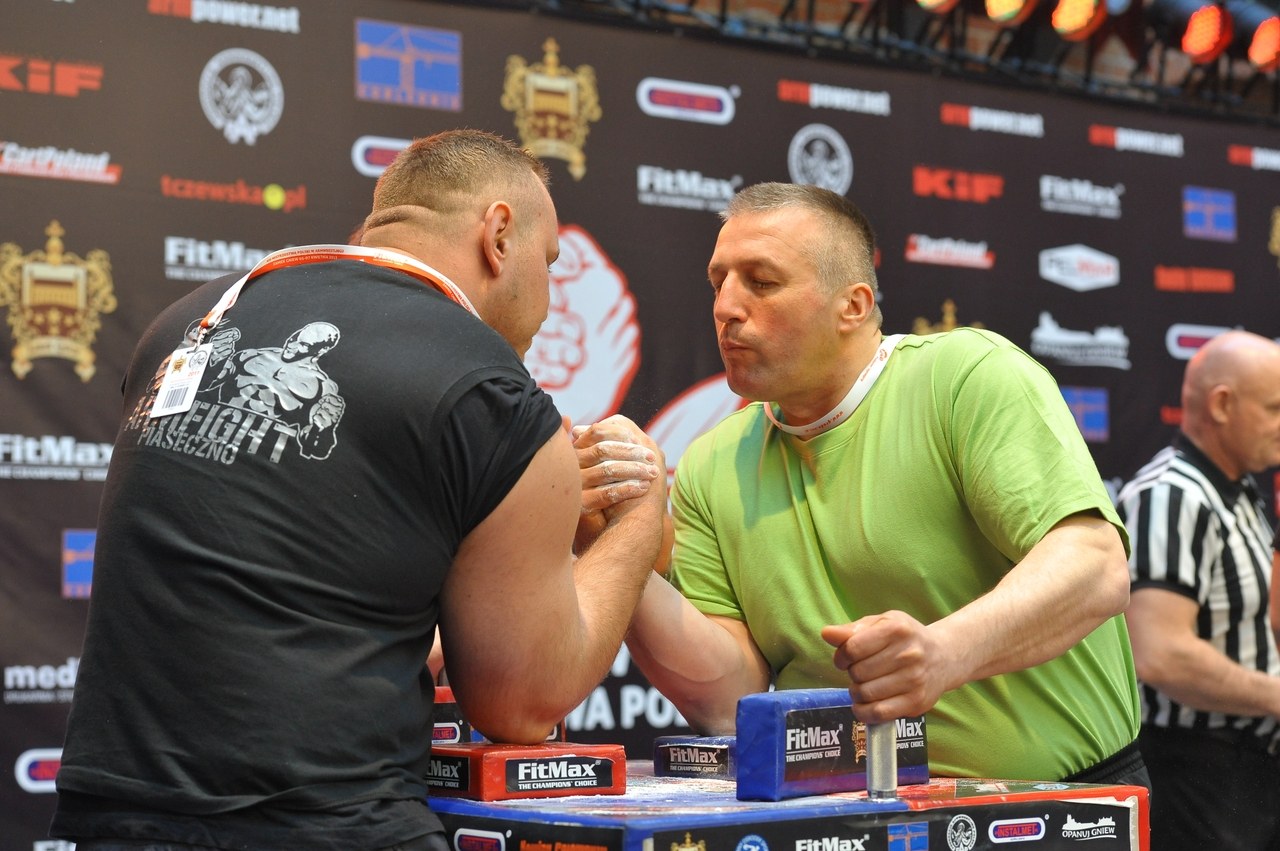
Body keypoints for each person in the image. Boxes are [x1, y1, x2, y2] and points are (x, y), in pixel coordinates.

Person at [50, 129, 668, 851]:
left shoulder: (186, 321)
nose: (549, 297)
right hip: (325, 822)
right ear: (499, 235)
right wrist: (639, 513)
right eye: (550, 261)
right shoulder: (489, 390)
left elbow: (293, 577)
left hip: (117, 814)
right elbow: (522, 701)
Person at [622, 181, 1146, 785]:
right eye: (718, 282)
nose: (726, 307)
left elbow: (1096, 568)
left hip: (1060, 806)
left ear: (853, 305)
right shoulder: (710, 462)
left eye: (761, 282)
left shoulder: (966, 377)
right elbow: (727, 701)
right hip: (848, 805)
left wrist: (945, 653)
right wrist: (619, 549)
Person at [1117, 330, 1280, 850]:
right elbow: (1160, 654)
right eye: (1274, 409)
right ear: (1222, 405)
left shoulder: (1240, 490)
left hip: (1248, 773)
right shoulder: (1171, 495)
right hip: (1195, 773)